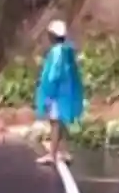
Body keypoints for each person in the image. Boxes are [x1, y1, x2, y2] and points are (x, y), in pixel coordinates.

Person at [34, 20, 84, 165]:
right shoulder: (68, 50)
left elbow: (54, 75)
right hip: (66, 94)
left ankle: (52, 154)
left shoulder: (56, 52)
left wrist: (48, 92)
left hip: (57, 94)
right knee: (62, 121)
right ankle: (64, 151)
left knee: (55, 123)